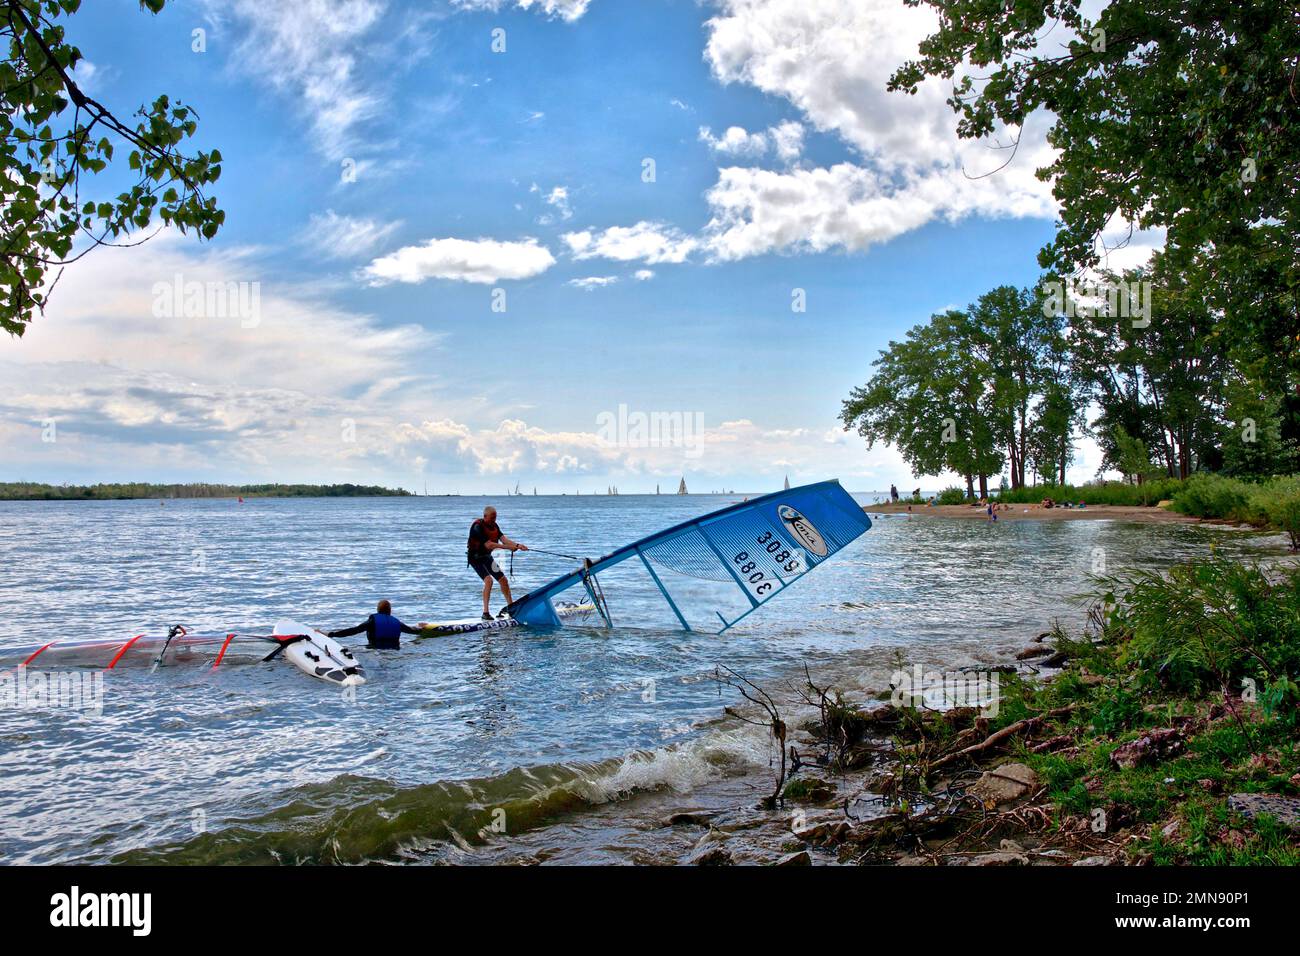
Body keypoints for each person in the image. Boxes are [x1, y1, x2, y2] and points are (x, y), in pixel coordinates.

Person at [468, 505, 528, 620]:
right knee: (489, 581)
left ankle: (511, 608)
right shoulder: (477, 527)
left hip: (486, 557)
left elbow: (504, 539)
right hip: (475, 558)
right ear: (485, 516)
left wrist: (517, 545)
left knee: (503, 580)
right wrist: (508, 547)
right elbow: (489, 544)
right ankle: (485, 613)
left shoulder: (494, 526)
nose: (494, 520)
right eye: (492, 518)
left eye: (495, 518)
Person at [327, 600, 425, 650]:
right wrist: (421, 628)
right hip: (394, 651)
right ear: (390, 611)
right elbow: (412, 631)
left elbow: (354, 630)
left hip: (374, 650)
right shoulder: (397, 622)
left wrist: (331, 634)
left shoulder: (372, 621)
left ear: (378, 610)